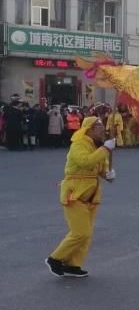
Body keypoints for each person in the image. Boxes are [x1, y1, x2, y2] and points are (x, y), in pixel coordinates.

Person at [45, 117, 116, 277]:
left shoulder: (97, 146)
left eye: (101, 125)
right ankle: (55, 258)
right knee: (80, 232)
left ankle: (73, 264)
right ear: (89, 128)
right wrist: (105, 148)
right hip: (74, 194)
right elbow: (86, 162)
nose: (102, 128)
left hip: (91, 195)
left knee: (87, 234)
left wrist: (109, 175)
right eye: (98, 125)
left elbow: (100, 169)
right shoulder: (79, 144)